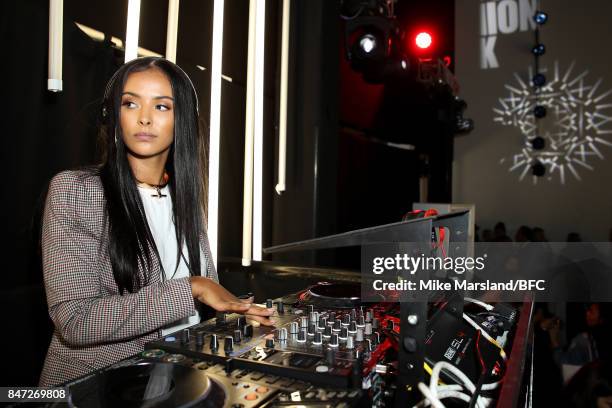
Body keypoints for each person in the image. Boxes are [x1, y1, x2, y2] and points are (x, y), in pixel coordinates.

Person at [38, 57, 273, 386]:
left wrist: (238, 312)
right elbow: (76, 320)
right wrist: (193, 288)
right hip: (95, 387)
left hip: (175, 382)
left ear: (183, 120)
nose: (145, 118)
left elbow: (198, 304)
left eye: (162, 107)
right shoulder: (76, 191)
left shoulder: (186, 199)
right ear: (114, 115)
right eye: (131, 103)